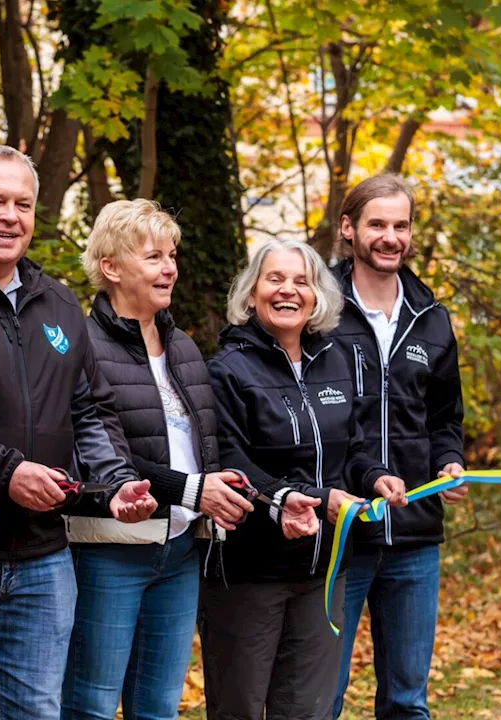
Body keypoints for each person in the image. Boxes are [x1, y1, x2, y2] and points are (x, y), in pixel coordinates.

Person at [0, 145, 158, 720]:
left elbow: (89, 410)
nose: (9, 217)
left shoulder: (58, 303)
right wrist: (6, 471)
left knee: (36, 710)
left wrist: (114, 483)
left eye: (23, 204)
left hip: (45, 556)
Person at [61, 200, 255, 720]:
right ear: (111, 267)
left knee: (159, 707)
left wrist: (217, 485)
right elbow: (97, 454)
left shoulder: (185, 346)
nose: (169, 267)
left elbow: (197, 448)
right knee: (91, 705)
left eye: (171, 255)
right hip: (108, 553)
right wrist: (192, 490)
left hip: (179, 553)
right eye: (152, 256)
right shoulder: (81, 345)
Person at [202, 239, 407, 720]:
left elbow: (353, 448)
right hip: (249, 573)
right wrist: (315, 497)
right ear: (252, 292)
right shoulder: (226, 370)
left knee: (309, 712)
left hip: (325, 572)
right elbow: (232, 463)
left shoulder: (336, 361)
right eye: (274, 279)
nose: (288, 290)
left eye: (302, 281)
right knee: (241, 711)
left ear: (318, 295)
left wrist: (376, 477)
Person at [330, 174, 467, 720]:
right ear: (349, 229)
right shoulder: (319, 311)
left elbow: (445, 416)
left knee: (408, 702)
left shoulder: (431, 318)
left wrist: (448, 460)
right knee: (322, 697)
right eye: (378, 224)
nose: (391, 236)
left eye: (401, 225)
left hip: (415, 535)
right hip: (341, 530)